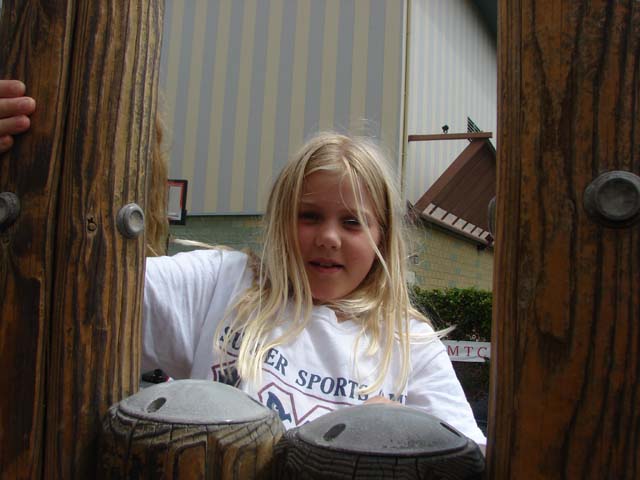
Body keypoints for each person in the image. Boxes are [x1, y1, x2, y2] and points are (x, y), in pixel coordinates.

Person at [0, 83, 486, 449]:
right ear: (280, 219)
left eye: (353, 222)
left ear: (383, 235)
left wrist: (408, 434)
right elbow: (65, 292)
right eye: (309, 216)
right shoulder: (224, 283)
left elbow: (471, 457)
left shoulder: (408, 341)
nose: (328, 237)